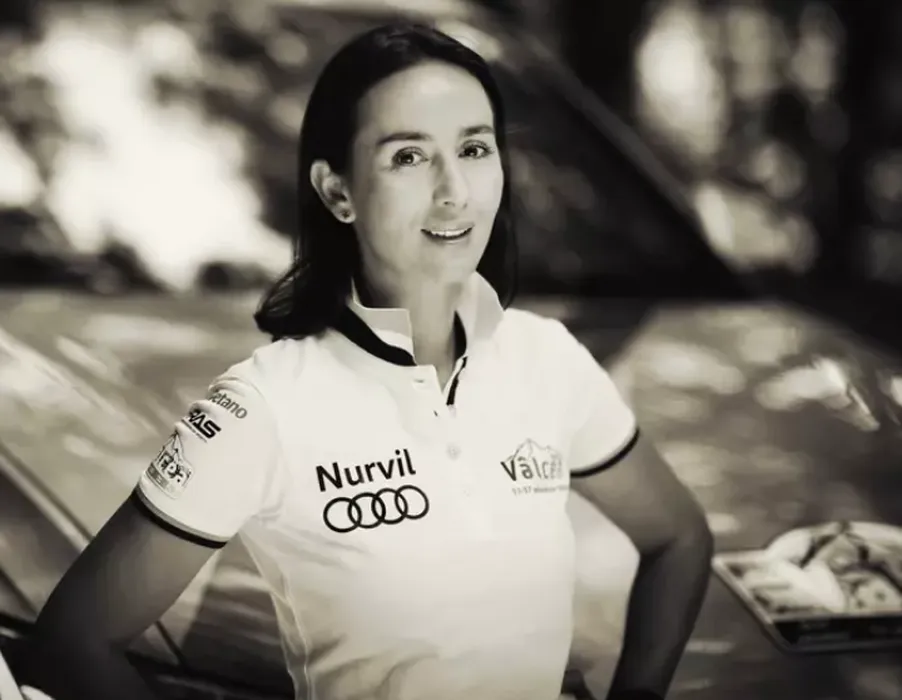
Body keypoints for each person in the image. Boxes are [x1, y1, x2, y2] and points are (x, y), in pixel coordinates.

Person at [23, 22, 714, 700]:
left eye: (474, 148)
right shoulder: (264, 406)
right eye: (408, 157)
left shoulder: (548, 359)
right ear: (337, 192)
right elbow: (71, 644)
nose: (454, 190)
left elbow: (678, 537)